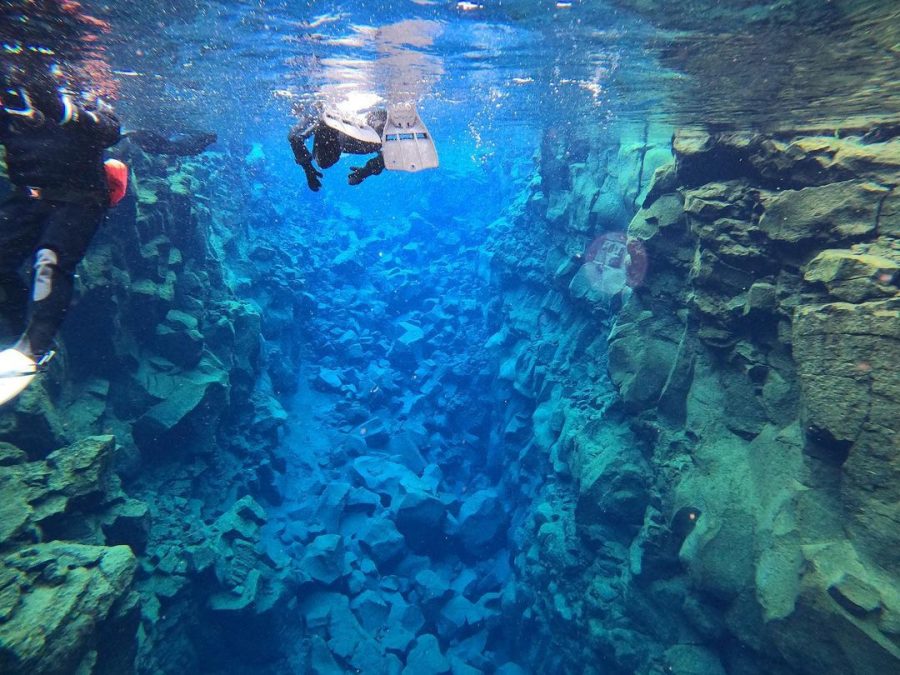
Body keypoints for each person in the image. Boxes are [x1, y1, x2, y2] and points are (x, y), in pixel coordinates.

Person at [0, 67, 122, 403]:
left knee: (49, 262)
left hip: (80, 199)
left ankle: (34, 347)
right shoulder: (10, 94)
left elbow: (111, 130)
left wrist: (63, 110)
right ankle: (10, 337)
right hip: (27, 195)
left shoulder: (83, 90)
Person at [288, 106, 388, 192]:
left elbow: (294, 137)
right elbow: (294, 137)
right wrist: (366, 171)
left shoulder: (367, 144)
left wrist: (308, 170)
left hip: (369, 126)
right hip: (371, 124)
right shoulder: (367, 144)